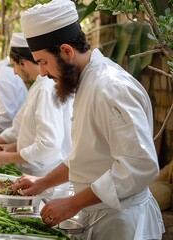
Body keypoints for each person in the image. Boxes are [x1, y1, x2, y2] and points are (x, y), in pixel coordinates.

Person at [13, 0, 164, 239]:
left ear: (66, 51)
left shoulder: (110, 87)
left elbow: (138, 166)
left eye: (43, 61)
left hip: (121, 223)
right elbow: (86, 157)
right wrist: (43, 182)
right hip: (98, 217)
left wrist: (73, 203)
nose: (41, 72)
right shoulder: (86, 82)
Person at [0, 33, 73, 177]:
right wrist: (13, 147)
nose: (14, 72)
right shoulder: (38, 85)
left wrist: (10, 157)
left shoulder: (45, 88)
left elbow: (48, 145)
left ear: (23, 62)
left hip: (43, 176)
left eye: (14, 65)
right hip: (31, 173)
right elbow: (26, 131)